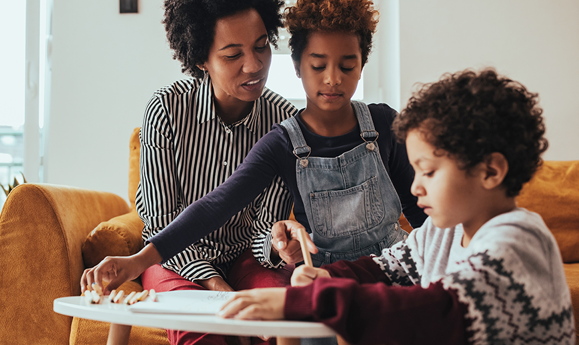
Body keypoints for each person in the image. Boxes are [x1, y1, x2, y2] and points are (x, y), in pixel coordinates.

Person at [218, 68, 577, 345]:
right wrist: (330, 276)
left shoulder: (519, 242)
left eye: (430, 171)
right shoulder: (442, 232)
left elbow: (438, 311)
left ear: (490, 170)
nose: (415, 185)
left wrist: (309, 301)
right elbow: (386, 269)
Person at [84, 1, 299, 344]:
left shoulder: (284, 121)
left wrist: (276, 246)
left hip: (247, 257)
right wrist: (216, 285)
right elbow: (160, 222)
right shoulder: (166, 111)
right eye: (232, 55)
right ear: (201, 59)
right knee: (200, 333)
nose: (255, 65)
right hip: (173, 259)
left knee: (275, 324)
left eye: (262, 46)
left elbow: (264, 227)